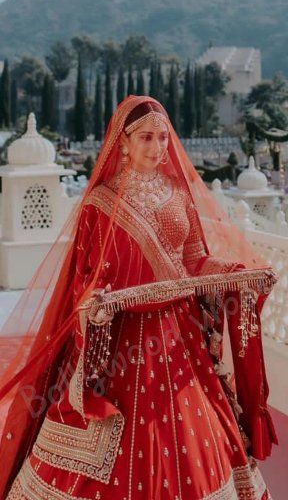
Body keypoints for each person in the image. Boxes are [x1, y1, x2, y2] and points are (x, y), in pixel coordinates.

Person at [0, 96, 277, 499]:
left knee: (192, 432)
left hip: (180, 339)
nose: (156, 146)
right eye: (146, 137)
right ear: (123, 143)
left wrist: (238, 274)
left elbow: (195, 261)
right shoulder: (99, 203)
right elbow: (85, 278)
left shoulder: (178, 194)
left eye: (163, 137)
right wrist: (96, 302)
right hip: (119, 343)